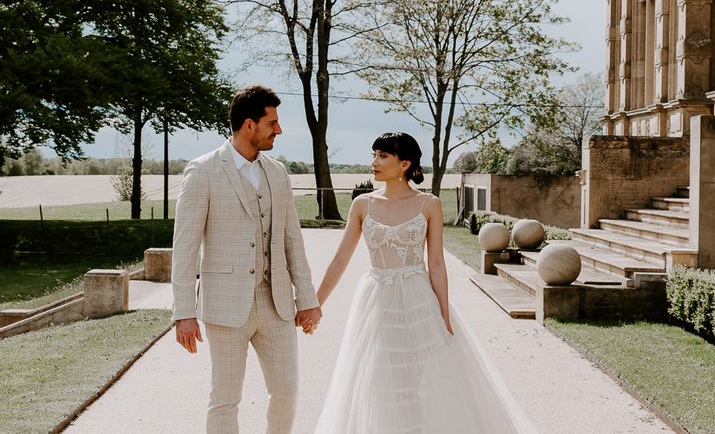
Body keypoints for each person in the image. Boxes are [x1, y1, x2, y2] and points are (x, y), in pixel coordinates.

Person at [312, 132, 536, 433]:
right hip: (376, 300)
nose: (374, 162)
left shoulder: (428, 204)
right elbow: (340, 260)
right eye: (374, 154)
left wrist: (443, 311)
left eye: (382, 156)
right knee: (378, 375)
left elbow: (437, 263)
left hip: (419, 300)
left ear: (404, 163)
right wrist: (316, 304)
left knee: (427, 375)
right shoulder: (362, 205)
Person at [171, 85, 322, 434]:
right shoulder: (203, 170)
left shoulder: (278, 173)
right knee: (225, 398)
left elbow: (292, 241)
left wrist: (308, 299)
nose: (279, 130)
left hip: (277, 304)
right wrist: (184, 313)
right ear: (249, 125)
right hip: (225, 306)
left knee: (286, 391)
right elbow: (185, 247)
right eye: (273, 123)